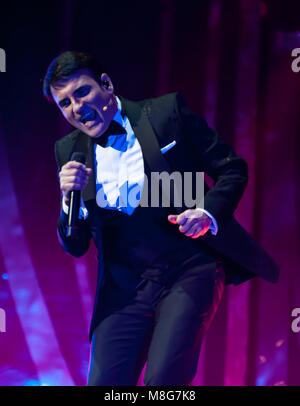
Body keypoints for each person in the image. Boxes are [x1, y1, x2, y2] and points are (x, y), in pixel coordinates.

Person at [43, 51, 279, 386]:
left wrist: (207, 212)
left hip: (187, 267)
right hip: (123, 286)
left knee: (164, 382)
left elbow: (232, 169)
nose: (76, 108)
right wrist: (70, 200)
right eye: (64, 103)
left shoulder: (166, 112)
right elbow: (75, 245)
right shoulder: (67, 150)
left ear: (107, 84)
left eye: (81, 92)